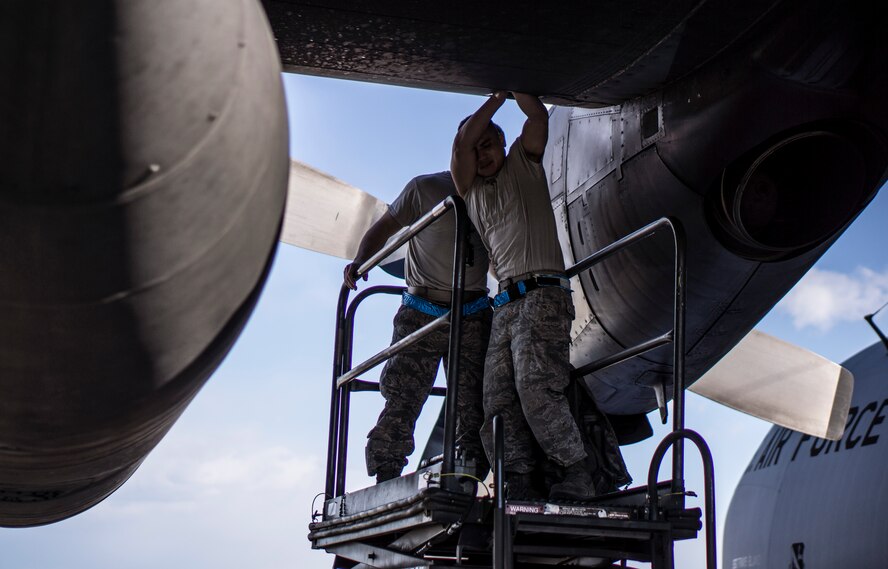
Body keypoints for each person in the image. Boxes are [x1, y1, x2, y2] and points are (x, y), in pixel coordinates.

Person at [450, 91, 596, 500]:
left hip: (542, 295)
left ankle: (574, 470)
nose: (481, 153)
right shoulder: (471, 191)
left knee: (535, 387)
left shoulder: (523, 163)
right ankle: (516, 478)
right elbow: (461, 145)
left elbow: (536, 116)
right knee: (497, 397)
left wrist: (508, 90)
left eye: (488, 143)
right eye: (476, 147)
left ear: (501, 142)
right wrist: (493, 100)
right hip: (506, 304)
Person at [344, 172, 492, 484]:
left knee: (474, 403)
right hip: (422, 311)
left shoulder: (495, 190)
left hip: (472, 314)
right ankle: (387, 470)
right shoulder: (424, 189)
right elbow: (383, 228)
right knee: (403, 397)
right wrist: (359, 262)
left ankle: (469, 475)